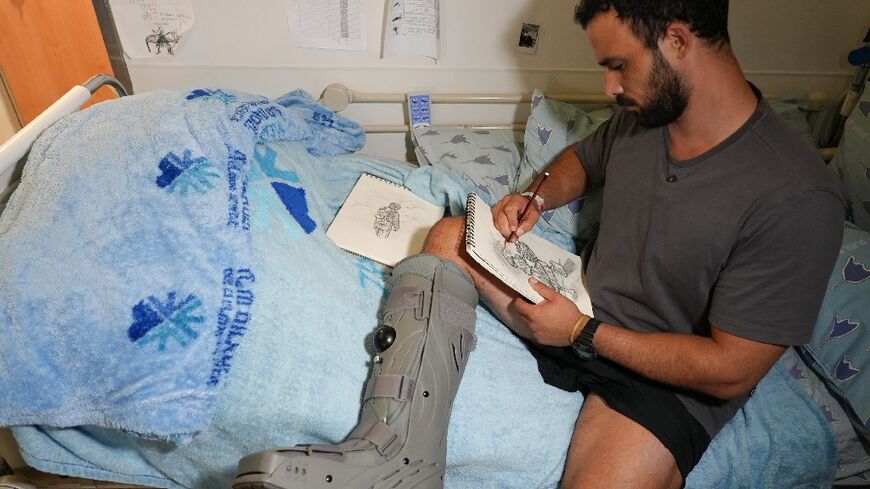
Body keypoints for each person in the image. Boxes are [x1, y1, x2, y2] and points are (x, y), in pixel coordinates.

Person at [233, 1, 844, 488]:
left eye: (617, 65)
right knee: (448, 236)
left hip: (662, 381)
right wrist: (539, 196)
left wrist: (579, 333)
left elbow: (731, 372)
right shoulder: (645, 116)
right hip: (576, 305)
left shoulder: (794, 196)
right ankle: (394, 455)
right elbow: (583, 158)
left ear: (678, 40)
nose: (609, 87)